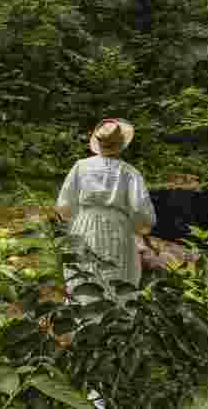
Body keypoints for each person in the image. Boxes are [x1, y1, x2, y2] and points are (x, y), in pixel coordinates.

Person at [56, 118, 157, 307]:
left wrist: (75, 218)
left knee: (84, 272)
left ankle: (83, 320)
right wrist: (141, 229)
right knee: (118, 273)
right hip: (118, 228)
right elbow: (140, 210)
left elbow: (65, 204)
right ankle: (117, 324)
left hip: (84, 224)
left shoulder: (81, 166)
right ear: (121, 145)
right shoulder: (129, 173)